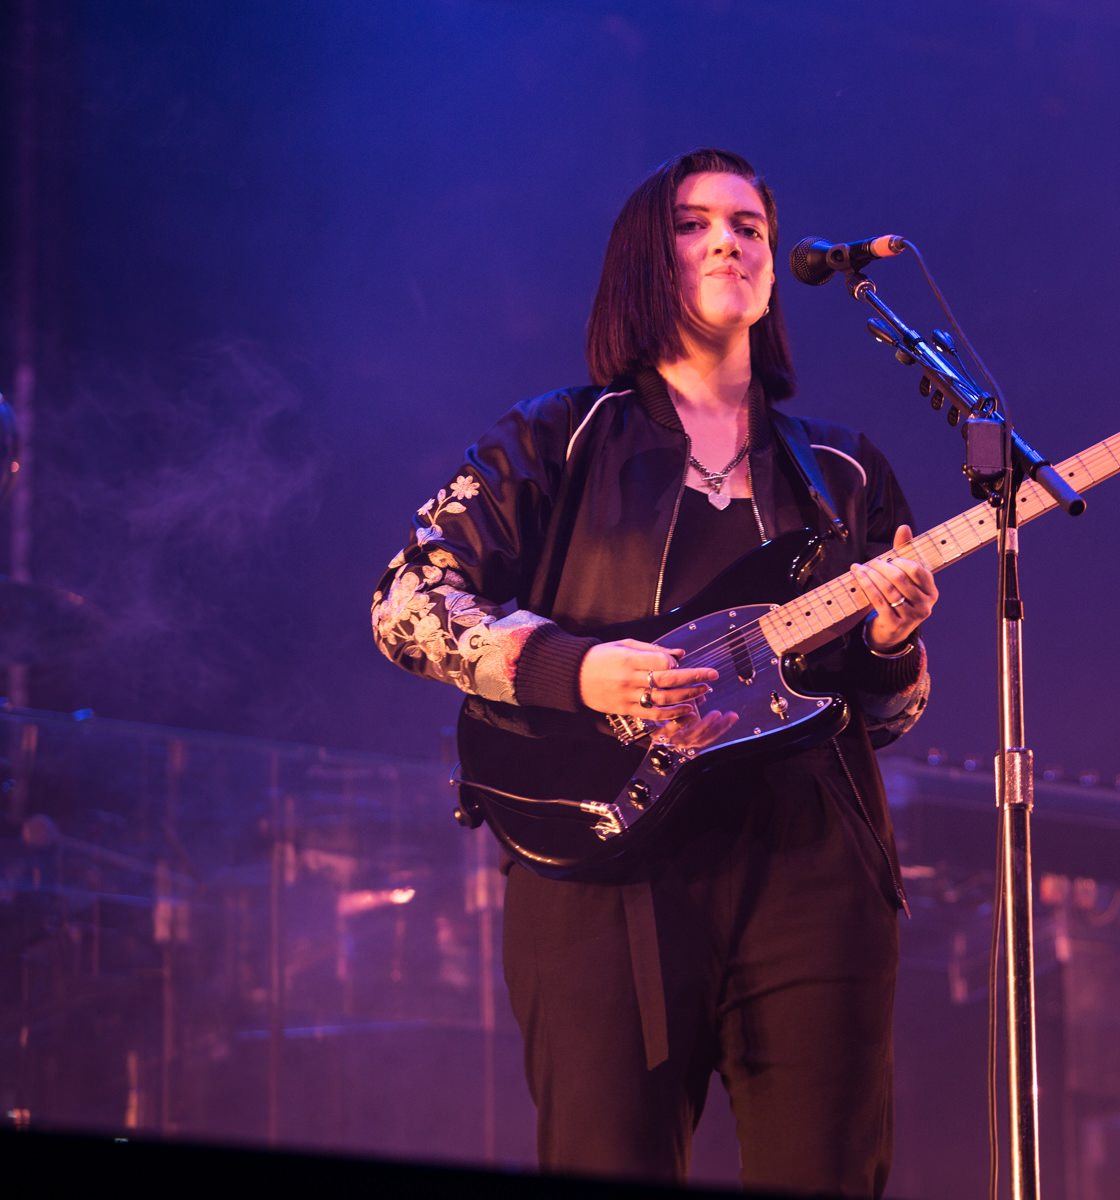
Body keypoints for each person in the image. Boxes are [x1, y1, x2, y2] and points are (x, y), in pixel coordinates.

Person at [370, 148, 936, 1195]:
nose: (729, 239)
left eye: (751, 225)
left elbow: (889, 717)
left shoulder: (843, 469)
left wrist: (894, 644)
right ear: (643, 259)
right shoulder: (552, 440)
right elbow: (406, 606)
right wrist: (577, 672)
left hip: (816, 867)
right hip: (602, 867)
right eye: (693, 223)